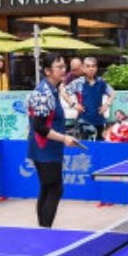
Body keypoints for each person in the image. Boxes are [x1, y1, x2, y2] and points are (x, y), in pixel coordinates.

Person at [27, 52, 81, 227]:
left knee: (47, 187)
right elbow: (40, 127)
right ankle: (45, 230)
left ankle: (43, 229)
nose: (63, 70)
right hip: (44, 148)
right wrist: (64, 138)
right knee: (55, 189)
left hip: (50, 148)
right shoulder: (43, 93)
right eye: (59, 67)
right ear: (48, 71)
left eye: (64, 66)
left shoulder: (54, 89)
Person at [66, 56, 115, 140]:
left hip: (99, 121)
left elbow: (113, 93)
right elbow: (63, 92)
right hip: (83, 122)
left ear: (96, 68)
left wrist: (107, 104)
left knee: (99, 146)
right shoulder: (78, 82)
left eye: (93, 66)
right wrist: (73, 104)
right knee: (84, 146)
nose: (90, 69)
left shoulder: (101, 82)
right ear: (83, 68)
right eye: (88, 66)